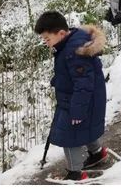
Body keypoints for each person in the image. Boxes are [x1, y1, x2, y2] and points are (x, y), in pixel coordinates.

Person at [34, 11, 107, 182]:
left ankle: (75, 173)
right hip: (82, 98)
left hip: (79, 100)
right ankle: (97, 154)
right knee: (83, 128)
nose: (46, 43)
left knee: (69, 135)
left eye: (47, 39)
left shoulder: (74, 51)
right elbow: (74, 75)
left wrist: (77, 110)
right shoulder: (70, 43)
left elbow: (83, 83)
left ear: (60, 33)